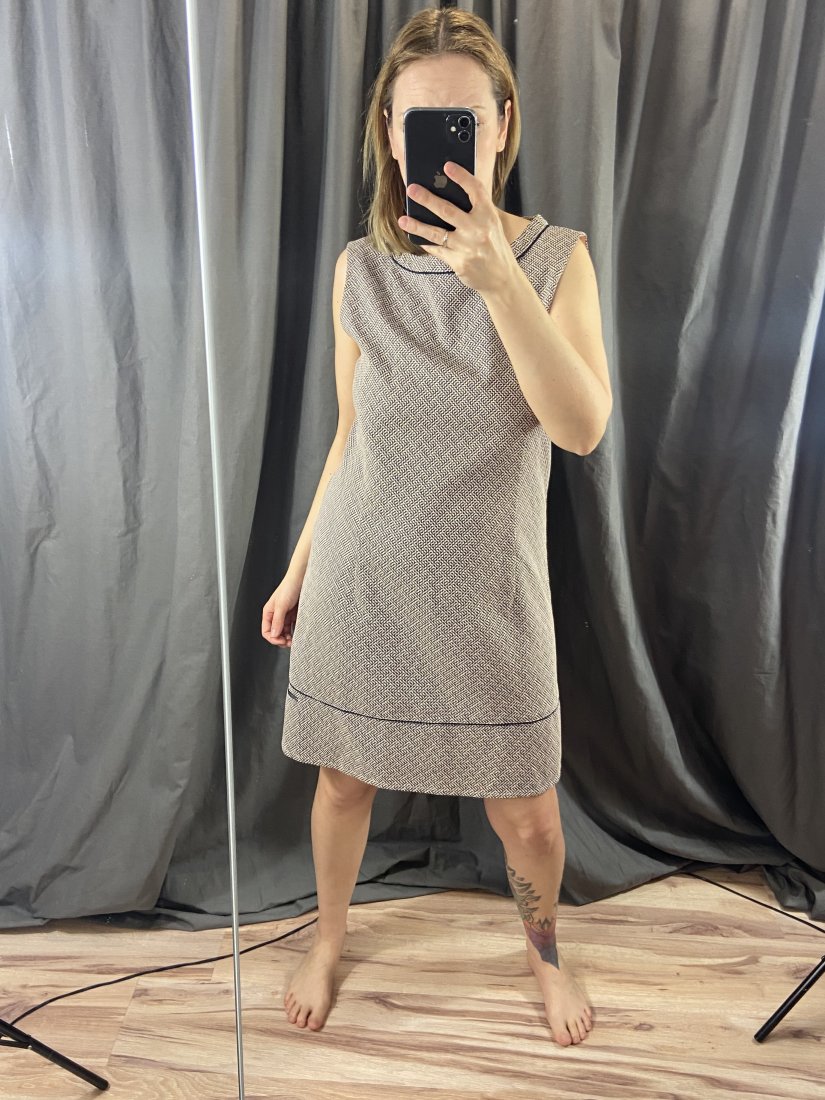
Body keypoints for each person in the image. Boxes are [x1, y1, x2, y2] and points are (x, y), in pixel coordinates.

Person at [262, 6, 610, 1046]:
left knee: (530, 815)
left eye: (464, 120)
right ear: (389, 131)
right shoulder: (358, 272)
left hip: (491, 592)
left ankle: (543, 954)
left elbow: (580, 427)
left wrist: (498, 282)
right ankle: (328, 937)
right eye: (421, 124)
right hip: (363, 577)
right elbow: (349, 438)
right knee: (342, 781)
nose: (446, 143)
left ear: (501, 125)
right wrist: (296, 570)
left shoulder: (557, 261)